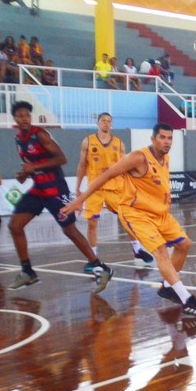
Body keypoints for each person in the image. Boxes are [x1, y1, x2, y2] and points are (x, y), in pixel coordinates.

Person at [61, 123, 196, 318]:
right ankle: (187, 299)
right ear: (153, 139)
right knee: (160, 251)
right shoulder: (138, 158)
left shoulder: (164, 157)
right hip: (136, 213)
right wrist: (79, 199)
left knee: (184, 244)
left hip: (160, 213)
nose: (167, 142)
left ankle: (168, 287)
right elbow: (106, 174)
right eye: (162, 137)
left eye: (170, 138)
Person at [6, 101, 113, 291]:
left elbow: (61, 158)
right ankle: (27, 272)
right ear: (14, 118)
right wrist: (25, 174)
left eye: (26, 115)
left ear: (30, 117)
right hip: (39, 189)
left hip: (55, 190)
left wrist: (34, 167)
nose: (23, 118)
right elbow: (32, 165)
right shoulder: (18, 140)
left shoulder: (39, 134)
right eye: (19, 116)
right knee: (14, 225)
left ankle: (100, 267)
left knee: (69, 230)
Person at [75, 113, 154, 273]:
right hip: (95, 188)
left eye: (109, 121)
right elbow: (82, 165)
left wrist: (131, 186)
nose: (106, 123)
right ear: (97, 123)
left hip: (115, 187)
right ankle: (94, 258)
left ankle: (137, 250)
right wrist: (77, 187)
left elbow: (126, 167)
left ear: (112, 125)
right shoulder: (88, 141)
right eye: (103, 121)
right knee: (92, 223)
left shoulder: (119, 143)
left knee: (128, 218)